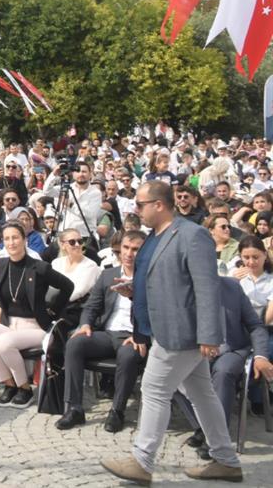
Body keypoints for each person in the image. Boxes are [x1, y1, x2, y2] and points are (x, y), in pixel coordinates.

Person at [101, 180, 244, 484]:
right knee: (203, 394)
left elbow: (207, 288)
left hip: (182, 333)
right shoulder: (154, 237)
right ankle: (226, 460)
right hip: (164, 328)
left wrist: (209, 335)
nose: (135, 210)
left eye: (140, 204)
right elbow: (162, 280)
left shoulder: (193, 236)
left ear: (159, 205)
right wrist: (134, 291)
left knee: (153, 390)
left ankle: (142, 461)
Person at [57, 230, 148, 433]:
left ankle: (117, 411)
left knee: (128, 355)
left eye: (135, 249)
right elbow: (92, 306)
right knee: (75, 343)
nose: (129, 253)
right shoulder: (108, 275)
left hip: (133, 337)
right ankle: (74, 408)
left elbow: (157, 312)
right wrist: (86, 324)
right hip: (107, 334)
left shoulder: (151, 278)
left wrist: (141, 335)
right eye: (125, 248)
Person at [0, 222, 73, 408]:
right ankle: (9, 384)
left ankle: (25, 388)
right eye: (7, 239)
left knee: (5, 342)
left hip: (35, 326)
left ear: (24, 240)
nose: (11, 242)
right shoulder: (0, 263)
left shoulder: (39, 267)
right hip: (9, 323)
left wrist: (52, 311)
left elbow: (68, 286)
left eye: (15, 237)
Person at [173, 277, 272, 455]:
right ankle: (203, 427)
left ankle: (217, 439)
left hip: (232, 349)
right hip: (197, 350)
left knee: (223, 371)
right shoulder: (182, 288)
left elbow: (255, 326)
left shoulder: (232, 287)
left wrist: (261, 356)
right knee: (171, 374)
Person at [228, 235, 273, 321]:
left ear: (265, 255)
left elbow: (268, 317)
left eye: (255, 257)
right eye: (246, 257)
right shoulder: (233, 275)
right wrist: (232, 282)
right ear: (241, 257)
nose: (251, 262)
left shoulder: (271, 279)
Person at [52, 227, 103, 304]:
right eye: (72, 242)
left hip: (75, 308)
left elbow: (78, 292)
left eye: (80, 241)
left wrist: (55, 303)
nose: (77, 245)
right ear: (62, 245)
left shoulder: (90, 265)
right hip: (54, 303)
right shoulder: (56, 263)